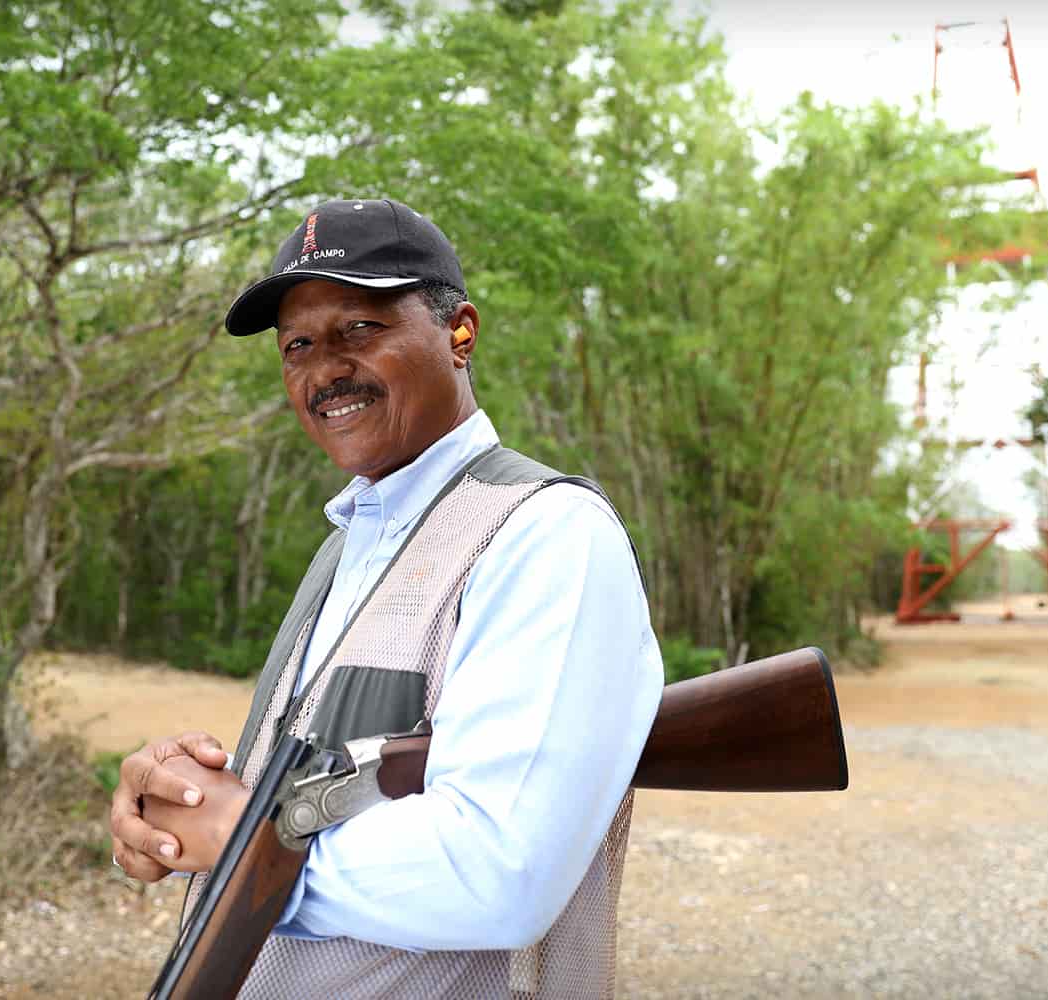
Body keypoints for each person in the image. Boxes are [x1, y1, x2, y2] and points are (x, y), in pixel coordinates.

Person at [108, 198, 663, 998]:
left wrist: (244, 846)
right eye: (297, 345)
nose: (323, 368)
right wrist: (174, 806)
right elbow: (318, 793)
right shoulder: (350, 543)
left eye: (359, 330)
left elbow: (499, 873)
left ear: (459, 333)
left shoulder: (548, 536)